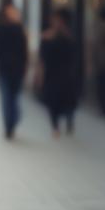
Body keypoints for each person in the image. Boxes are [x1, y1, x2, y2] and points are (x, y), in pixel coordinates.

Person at [38, 8, 78, 137]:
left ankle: (69, 121)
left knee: (68, 99)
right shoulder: (47, 36)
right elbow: (42, 57)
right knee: (52, 99)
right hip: (51, 73)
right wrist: (40, 73)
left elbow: (74, 56)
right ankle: (55, 126)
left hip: (65, 73)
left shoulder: (69, 36)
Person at [0, 4, 27, 140]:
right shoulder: (1, 29)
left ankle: (12, 122)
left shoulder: (18, 29)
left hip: (15, 69)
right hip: (5, 69)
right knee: (8, 98)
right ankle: (9, 125)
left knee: (12, 98)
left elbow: (24, 51)